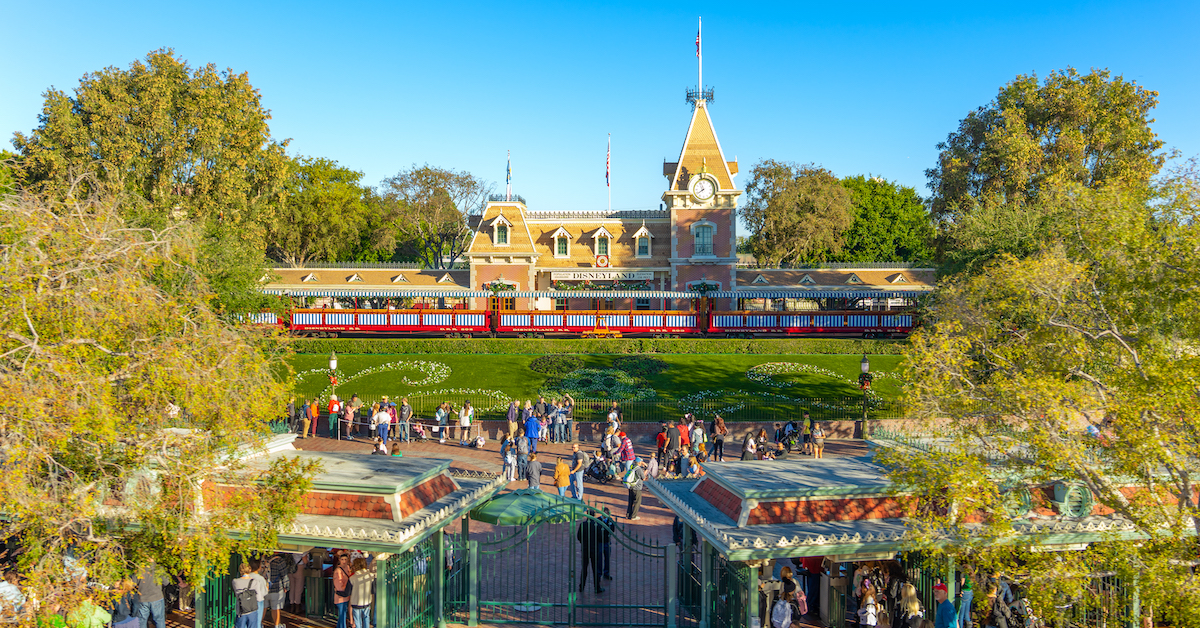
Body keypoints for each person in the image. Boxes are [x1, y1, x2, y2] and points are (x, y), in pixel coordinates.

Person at [576, 516, 605, 594]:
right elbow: (600, 537)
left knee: (584, 568)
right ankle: (597, 587)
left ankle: (582, 586)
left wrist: (583, 542)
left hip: (585, 549)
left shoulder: (583, 525)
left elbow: (579, 536)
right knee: (595, 569)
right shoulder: (596, 525)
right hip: (594, 550)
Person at [134, 559, 167, 628]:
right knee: (159, 620)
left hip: (143, 598)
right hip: (157, 597)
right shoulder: (159, 569)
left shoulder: (139, 569)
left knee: (142, 621)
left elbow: (133, 583)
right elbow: (166, 582)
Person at [264, 552, 293, 628]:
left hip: (264, 589)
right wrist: (286, 587)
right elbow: (284, 575)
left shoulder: (263, 560)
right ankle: (276, 625)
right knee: (276, 608)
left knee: (263, 608)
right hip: (277, 588)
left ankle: (259, 624)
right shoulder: (280, 561)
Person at [349, 557, 375, 628]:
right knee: (366, 619)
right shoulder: (371, 576)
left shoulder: (352, 578)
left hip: (356, 603)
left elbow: (348, 592)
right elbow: (373, 590)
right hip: (367, 602)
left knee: (357, 622)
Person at [332, 553, 352, 628]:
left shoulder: (347, 568)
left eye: (345, 559)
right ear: (339, 560)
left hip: (345, 595)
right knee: (342, 614)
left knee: (342, 614)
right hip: (341, 595)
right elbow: (338, 585)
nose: (344, 561)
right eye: (342, 559)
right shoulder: (338, 570)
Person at [599, 507, 616, 581]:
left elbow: (612, 529)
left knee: (607, 558)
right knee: (599, 559)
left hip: (607, 541)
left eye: (606, 513)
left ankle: (606, 573)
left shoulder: (610, 520)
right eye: (604, 513)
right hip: (599, 542)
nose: (605, 515)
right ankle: (599, 573)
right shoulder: (598, 520)